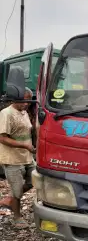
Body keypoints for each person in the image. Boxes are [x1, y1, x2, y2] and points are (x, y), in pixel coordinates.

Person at [0, 87, 35, 228]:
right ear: (15, 98)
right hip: (12, 159)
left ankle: (9, 200)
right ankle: (17, 217)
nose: (26, 104)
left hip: (26, 157)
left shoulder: (24, 112)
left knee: (35, 180)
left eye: (28, 101)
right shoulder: (6, 114)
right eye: (24, 100)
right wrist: (25, 146)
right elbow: (2, 138)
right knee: (17, 189)